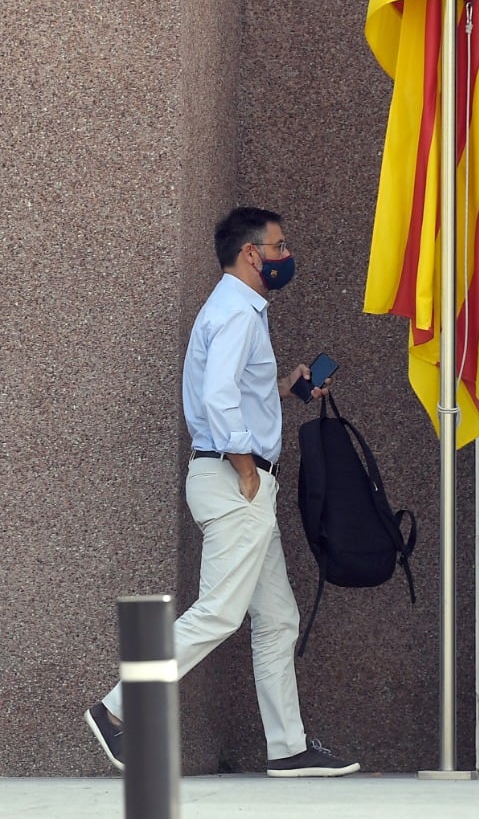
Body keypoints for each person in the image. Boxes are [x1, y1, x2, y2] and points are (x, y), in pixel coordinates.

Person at [84, 207, 359, 777]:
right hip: (236, 482)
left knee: (277, 618)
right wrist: (246, 467)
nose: (287, 256)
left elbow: (238, 393)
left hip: (239, 481)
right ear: (252, 253)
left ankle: (288, 748)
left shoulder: (237, 310)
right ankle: (115, 711)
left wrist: (287, 388)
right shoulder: (237, 311)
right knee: (217, 613)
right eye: (280, 247)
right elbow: (217, 398)